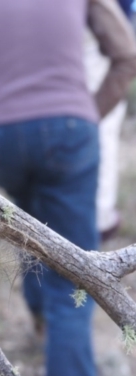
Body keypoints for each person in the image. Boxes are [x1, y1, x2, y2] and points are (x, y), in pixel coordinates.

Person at [0, 1, 136, 376]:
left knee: (30, 220)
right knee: (73, 283)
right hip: (68, 129)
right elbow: (127, 55)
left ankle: (38, 315)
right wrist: (87, 114)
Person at [86, 0, 134, 240]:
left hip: (95, 34)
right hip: (97, 33)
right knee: (101, 129)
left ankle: (98, 217)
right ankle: (99, 218)